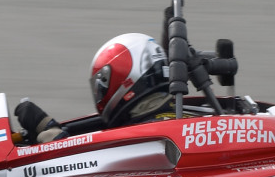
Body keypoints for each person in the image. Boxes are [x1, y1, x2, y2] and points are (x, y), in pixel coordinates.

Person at [14, 33, 172, 144]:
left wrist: (56, 139)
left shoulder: (153, 133)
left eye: (101, 84)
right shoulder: (165, 116)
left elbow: (97, 165)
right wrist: (50, 127)